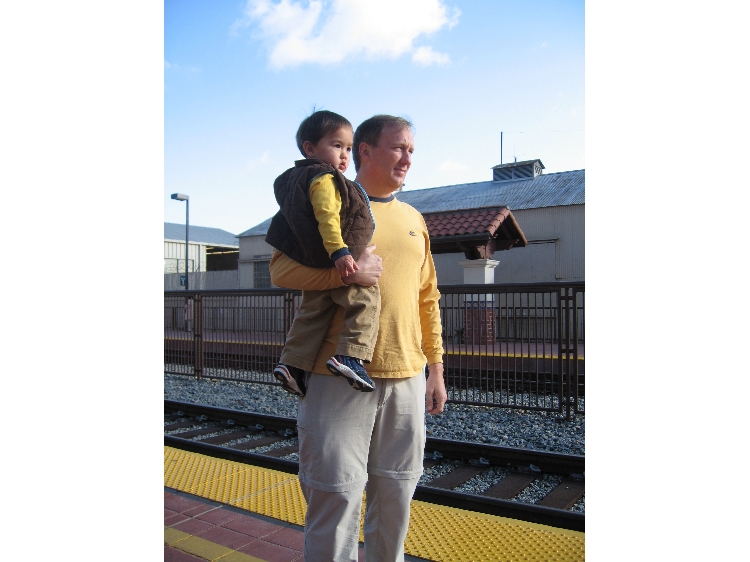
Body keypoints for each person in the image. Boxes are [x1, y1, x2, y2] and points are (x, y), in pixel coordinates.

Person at [270, 114, 448, 561]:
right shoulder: (326, 198)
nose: (407, 158)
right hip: (336, 375)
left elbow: (427, 297)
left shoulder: (414, 218)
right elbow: (280, 271)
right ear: (365, 151)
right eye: (398, 147)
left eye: (411, 150)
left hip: (407, 376)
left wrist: (436, 369)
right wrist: (345, 272)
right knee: (335, 496)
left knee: (396, 496)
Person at [266, 110, 380, 397]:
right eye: (337, 145)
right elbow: (328, 217)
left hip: (311, 258)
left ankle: (292, 363)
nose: (344, 155)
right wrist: (340, 252)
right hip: (333, 255)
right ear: (310, 148)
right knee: (366, 296)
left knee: (314, 308)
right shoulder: (324, 178)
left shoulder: (297, 179)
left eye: (348, 148)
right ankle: (350, 355)